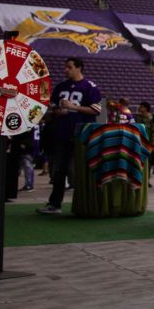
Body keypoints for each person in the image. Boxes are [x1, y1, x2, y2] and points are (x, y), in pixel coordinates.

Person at [38, 58, 102, 215]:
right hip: (62, 134)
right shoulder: (61, 87)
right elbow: (52, 106)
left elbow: (96, 110)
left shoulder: (89, 87)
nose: (66, 70)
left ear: (79, 68)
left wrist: (74, 107)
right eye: (65, 67)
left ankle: (88, 204)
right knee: (59, 170)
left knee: (82, 171)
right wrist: (57, 112)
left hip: (82, 135)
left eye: (69, 67)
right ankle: (55, 204)